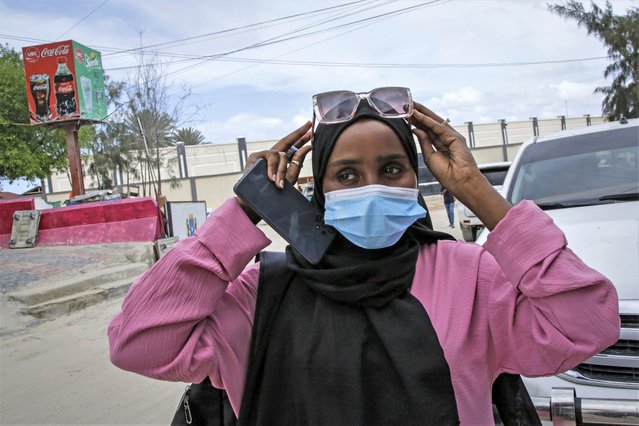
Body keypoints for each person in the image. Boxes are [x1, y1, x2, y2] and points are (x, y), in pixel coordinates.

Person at [108, 87, 619, 425]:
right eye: (347, 175)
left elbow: (586, 326)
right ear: (319, 189)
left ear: (415, 180)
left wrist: (475, 190)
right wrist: (244, 207)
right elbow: (138, 342)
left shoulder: (470, 275)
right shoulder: (259, 295)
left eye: (393, 169)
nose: (372, 187)